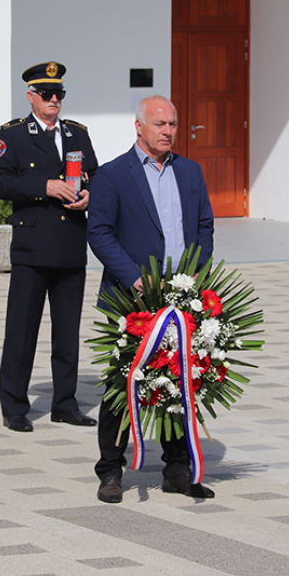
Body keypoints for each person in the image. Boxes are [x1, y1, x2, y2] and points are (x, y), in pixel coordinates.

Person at [87, 95, 215, 503]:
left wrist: (195, 272)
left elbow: (205, 225)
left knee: (180, 381)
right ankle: (111, 470)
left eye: (173, 124)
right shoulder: (112, 175)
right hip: (132, 300)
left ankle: (177, 469)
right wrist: (134, 278)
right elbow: (100, 233)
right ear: (139, 126)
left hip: (181, 297)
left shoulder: (190, 172)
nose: (168, 132)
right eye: (160, 124)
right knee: (122, 384)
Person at [0, 62, 98, 433]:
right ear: (31, 96)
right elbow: (0, 183)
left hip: (70, 245)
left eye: (59, 95)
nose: (54, 101)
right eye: (47, 94)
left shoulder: (77, 135)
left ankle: (65, 403)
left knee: (68, 332)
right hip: (33, 248)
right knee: (21, 331)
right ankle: (14, 405)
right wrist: (46, 186)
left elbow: (95, 176)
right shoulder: (15, 135)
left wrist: (88, 195)